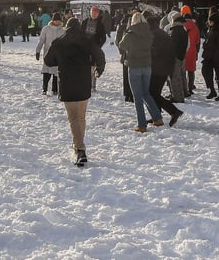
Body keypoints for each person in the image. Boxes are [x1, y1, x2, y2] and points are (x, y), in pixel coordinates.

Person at [45, 17, 106, 166]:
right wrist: (99, 68)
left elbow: (48, 61)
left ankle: (79, 148)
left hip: (67, 83)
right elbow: (100, 56)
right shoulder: (87, 41)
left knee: (73, 118)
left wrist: (60, 60)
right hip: (84, 82)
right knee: (81, 117)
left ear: (66, 27)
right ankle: (78, 144)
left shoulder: (58, 42)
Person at [117, 11, 163, 132]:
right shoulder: (149, 32)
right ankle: (157, 118)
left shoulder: (130, 33)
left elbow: (121, 45)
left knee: (137, 96)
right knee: (146, 93)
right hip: (147, 66)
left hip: (134, 66)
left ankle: (142, 124)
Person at [149, 15, 185, 126]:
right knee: (155, 92)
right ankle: (157, 116)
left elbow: (155, 52)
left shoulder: (154, 35)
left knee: (152, 92)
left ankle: (173, 112)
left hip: (159, 68)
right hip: (166, 67)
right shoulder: (161, 33)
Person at [36, 15, 65, 95]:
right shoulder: (46, 29)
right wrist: (37, 51)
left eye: (58, 20)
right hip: (48, 53)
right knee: (46, 71)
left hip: (58, 54)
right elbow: (41, 40)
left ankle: (55, 89)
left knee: (56, 72)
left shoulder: (63, 30)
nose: (57, 22)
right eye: (55, 20)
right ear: (52, 20)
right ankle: (44, 88)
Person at [166, 12, 189, 103]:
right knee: (178, 76)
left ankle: (178, 97)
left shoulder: (175, 31)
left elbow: (173, 45)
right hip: (181, 56)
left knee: (175, 78)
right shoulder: (183, 30)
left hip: (175, 57)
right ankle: (177, 95)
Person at [184, 11, 201, 97]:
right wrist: (197, 51)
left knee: (182, 71)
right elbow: (198, 41)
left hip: (183, 51)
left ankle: (183, 89)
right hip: (192, 50)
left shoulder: (182, 26)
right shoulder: (195, 27)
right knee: (191, 71)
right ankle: (190, 88)